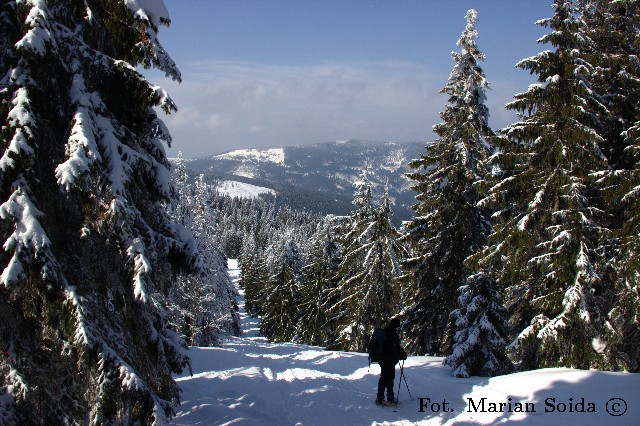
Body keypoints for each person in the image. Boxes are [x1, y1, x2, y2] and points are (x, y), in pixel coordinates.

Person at [376, 317, 407, 405]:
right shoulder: (391, 334)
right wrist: (401, 355)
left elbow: (395, 347)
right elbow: (394, 347)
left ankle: (383, 398)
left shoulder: (387, 332)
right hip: (388, 360)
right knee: (387, 378)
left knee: (386, 378)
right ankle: (385, 398)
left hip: (384, 359)